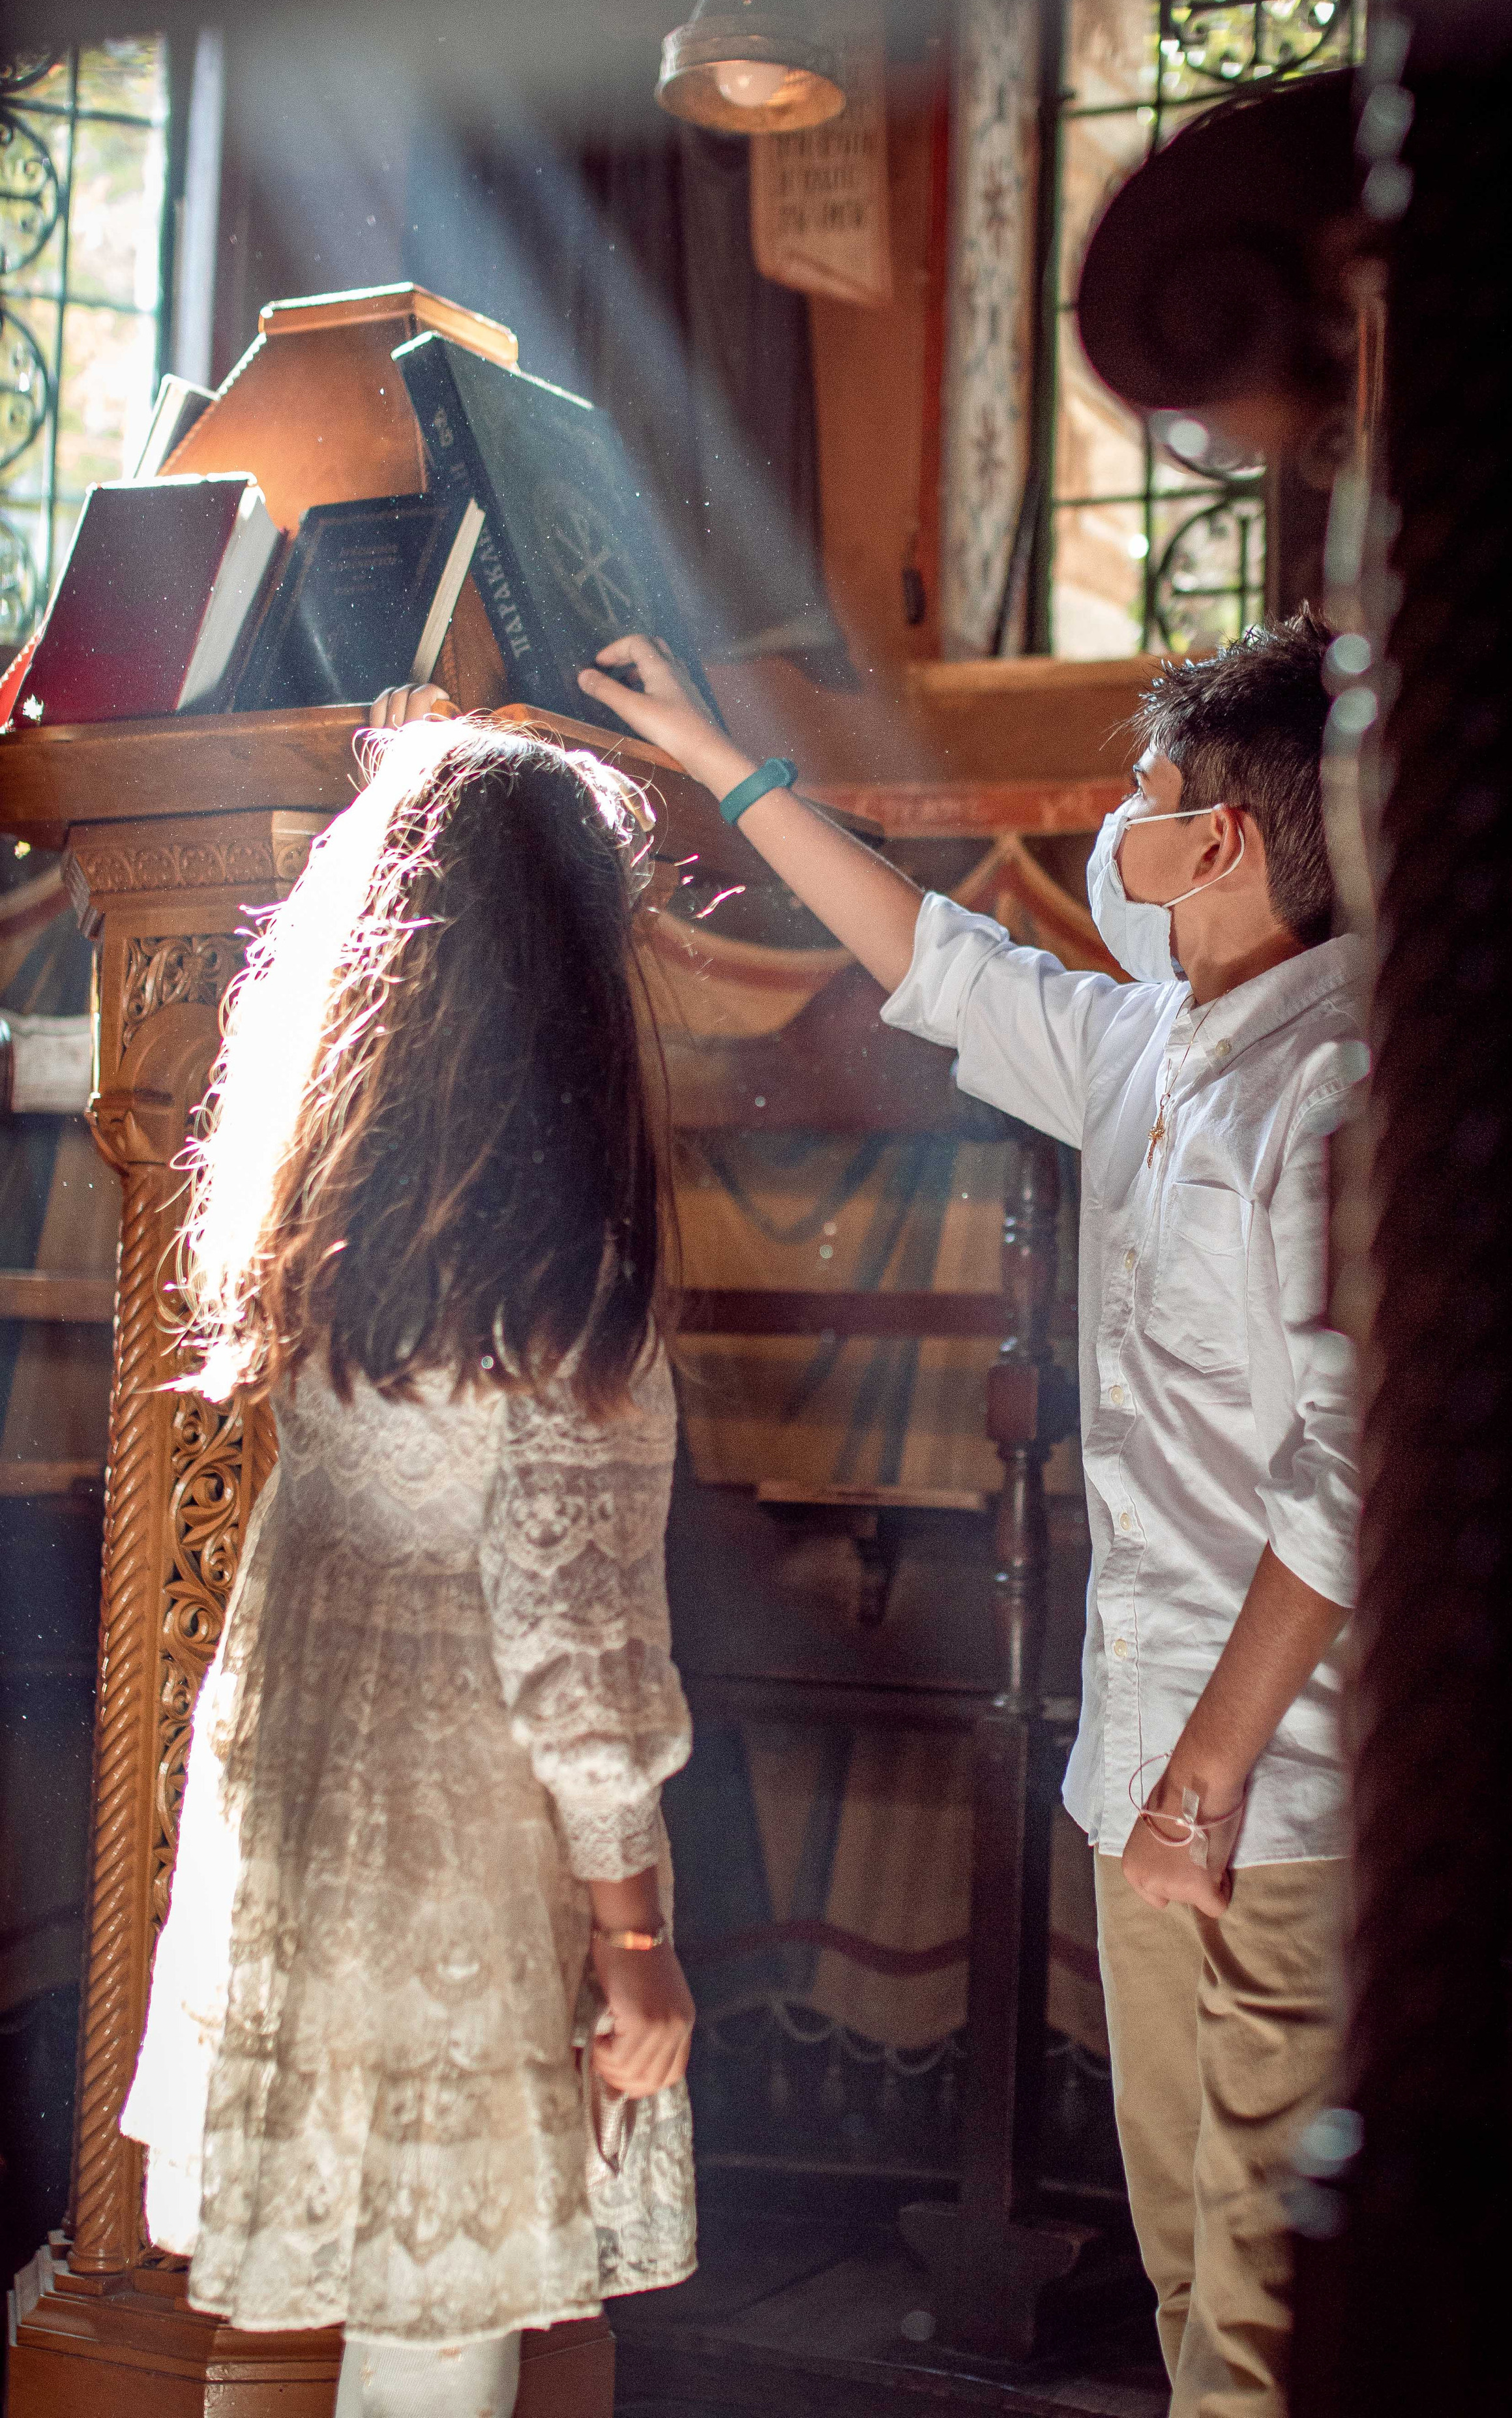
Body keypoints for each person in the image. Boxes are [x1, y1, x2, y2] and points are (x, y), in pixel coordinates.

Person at [569, 610, 1364, 2418]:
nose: (1119, 831)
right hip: (1152, 1767)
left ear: (1222, 842)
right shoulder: (1156, 1042)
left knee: (1273, 2318)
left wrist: (1210, 1780)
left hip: (1286, 1793)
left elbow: (1358, 1476)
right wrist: (722, 763)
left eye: (1142, 798)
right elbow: (931, 954)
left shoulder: (1336, 1087)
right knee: (1191, 2281)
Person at [121, 713, 698, 2418]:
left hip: (298, 1813)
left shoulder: (328, 1214)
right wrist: (635, 1932)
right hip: (457, 1841)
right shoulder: (558, 1280)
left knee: (290, 2310)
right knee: (438, 2319)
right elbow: (575, 1640)